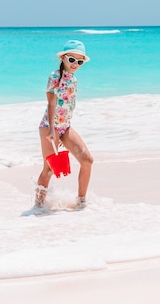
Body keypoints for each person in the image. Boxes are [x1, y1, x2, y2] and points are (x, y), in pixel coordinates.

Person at [35, 40, 94, 209]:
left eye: (79, 61)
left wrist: (63, 130)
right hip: (49, 126)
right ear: (63, 58)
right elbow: (51, 104)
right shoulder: (55, 76)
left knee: (87, 160)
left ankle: (82, 203)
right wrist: (53, 130)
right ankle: (38, 206)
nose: (75, 64)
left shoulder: (73, 80)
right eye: (72, 60)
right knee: (50, 169)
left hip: (65, 127)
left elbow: (68, 107)